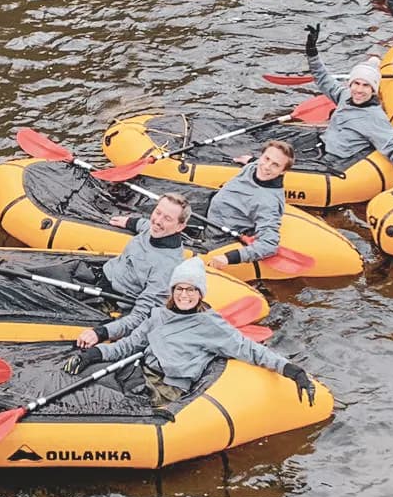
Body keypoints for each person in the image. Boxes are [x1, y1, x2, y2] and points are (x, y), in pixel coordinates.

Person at [72, 259, 313, 409]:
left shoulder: (211, 326)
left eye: (191, 290)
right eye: (179, 289)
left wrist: (292, 370)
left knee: (98, 396)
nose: (184, 295)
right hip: (138, 370)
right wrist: (94, 354)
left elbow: (250, 349)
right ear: (172, 291)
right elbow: (128, 345)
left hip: (165, 387)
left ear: (200, 294)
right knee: (84, 379)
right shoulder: (158, 315)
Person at [303, 24, 393, 190]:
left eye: (366, 86)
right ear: (350, 84)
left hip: (337, 162)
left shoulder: (375, 118)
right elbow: (323, 78)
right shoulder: (345, 95)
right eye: (356, 83)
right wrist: (311, 51)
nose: (359, 90)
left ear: (373, 90)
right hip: (322, 149)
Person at [75, 192, 194, 348]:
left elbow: (142, 316)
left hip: (110, 297)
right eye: (158, 212)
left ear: (180, 226)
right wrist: (129, 222)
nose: (158, 221)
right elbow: (146, 225)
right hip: (101, 275)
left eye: (167, 219)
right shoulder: (156, 229)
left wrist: (101, 333)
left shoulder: (167, 267)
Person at [203, 140, 292, 270]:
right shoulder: (255, 166)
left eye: (275, 165)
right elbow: (258, 163)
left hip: (219, 236)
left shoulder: (268, 203)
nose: (266, 166)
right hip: (211, 214)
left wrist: (229, 257)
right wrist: (251, 160)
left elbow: (268, 245)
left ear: (283, 171)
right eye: (266, 158)